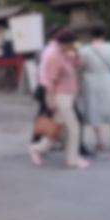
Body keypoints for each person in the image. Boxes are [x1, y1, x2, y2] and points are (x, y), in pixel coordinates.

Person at [29, 29, 89, 169]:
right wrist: (50, 99)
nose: (74, 45)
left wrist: (76, 53)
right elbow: (50, 81)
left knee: (56, 129)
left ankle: (36, 149)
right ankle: (72, 159)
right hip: (61, 97)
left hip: (68, 96)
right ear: (66, 43)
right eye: (73, 43)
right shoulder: (54, 56)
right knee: (74, 128)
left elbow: (77, 65)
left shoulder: (65, 53)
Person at [79, 25, 110, 150]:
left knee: (93, 108)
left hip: (90, 80)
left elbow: (81, 66)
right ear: (104, 34)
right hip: (108, 79)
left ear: (91, 34)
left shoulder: (84, 50)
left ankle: (99, 140)